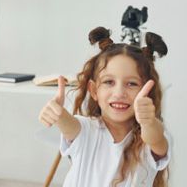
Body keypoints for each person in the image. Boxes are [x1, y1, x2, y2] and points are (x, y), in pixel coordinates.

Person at [38, 27, 170, 187]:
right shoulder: (86, 130)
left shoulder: (150, 137)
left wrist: (148, 121)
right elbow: (69, 126)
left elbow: (156, 139)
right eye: (109, 82)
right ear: (94, 90)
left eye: (132, 84)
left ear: (146, 92)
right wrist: (59, 115)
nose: (119, 92)